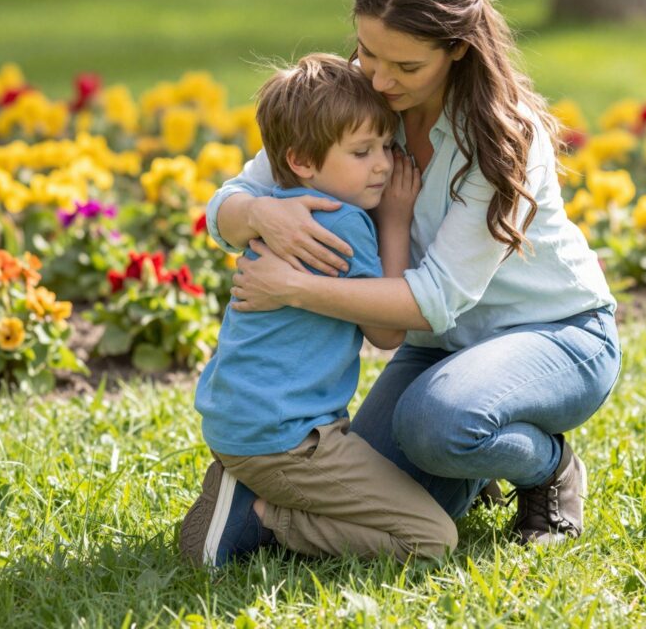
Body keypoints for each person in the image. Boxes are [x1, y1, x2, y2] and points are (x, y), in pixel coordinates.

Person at [207, 0, 622, 545]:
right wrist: (261, 214)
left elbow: (433, 302)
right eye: (369, 53)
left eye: (406, 67)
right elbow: (227, 204)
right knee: (382, 493)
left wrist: (294, 286)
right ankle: (471, 465)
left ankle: (548, 469)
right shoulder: (356, 98)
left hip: (555, 334)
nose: (379, 79)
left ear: (457, 49)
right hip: (438, 354)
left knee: (437, 426)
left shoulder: (504, 136)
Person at [180, 53, 457, 566]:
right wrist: (394, 220)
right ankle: (261, 517)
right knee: (430, 540)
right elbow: (386, 332)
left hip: (245, 422)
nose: (382, 164)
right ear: (303, 161)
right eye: (361, 151)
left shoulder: (286, 210)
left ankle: (247, 491)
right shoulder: (344, 222)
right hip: (286, 440)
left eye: (385, 145)